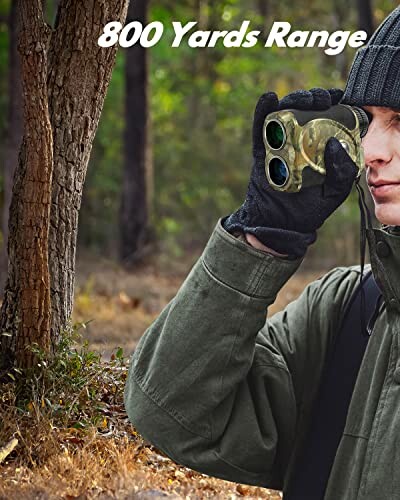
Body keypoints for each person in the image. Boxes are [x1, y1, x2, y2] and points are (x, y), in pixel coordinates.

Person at [124, 7, 400, 500]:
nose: (373, 150)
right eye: (368, 121)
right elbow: (172, 412)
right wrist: (263, 238)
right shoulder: (348, 313)